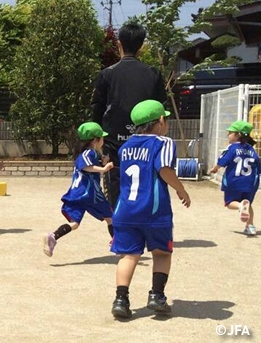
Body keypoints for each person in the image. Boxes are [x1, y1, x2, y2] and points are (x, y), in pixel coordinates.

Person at [110, 100, 191, 319]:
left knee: (128, 255)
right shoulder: (163, 142)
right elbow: (164, 169)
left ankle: (121, 299)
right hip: (155, 211)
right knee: (162, 253)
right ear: (161, 121)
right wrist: (181, 189)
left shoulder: (125, 147)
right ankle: (157, 295)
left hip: (125, 210)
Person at [91, 21, 167, 209]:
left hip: (114, 142)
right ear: (141, 46)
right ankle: (141, 229)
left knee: (114, 185)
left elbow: (97, 110)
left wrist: (96, 141)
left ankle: (118, 232)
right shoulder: (153, 74)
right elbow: (161, 111)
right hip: (145, 142)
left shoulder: (107, 74)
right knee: (144, 184)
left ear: (119, 44)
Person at [44, 122, 114, 257]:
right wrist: (103, 169)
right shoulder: (90, 152)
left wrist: (102, 163)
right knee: (110, 217)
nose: (103, 141)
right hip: (90, 194)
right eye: (102, 138)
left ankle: (53, 237)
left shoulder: (86, 153)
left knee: (74, 223)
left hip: (78, 194)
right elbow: (85, 166)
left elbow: (89, 167)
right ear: (95, 140)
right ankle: (117, 242)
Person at [209, 120, 260, 236]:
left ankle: (241, 206)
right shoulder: (252, 150)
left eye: (230, 132)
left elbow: (223, 161)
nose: (228, 135)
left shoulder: (231, 148)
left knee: (230, 203)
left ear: (238, 135)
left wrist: (215, 168)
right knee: (248, 204)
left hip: (234, 182)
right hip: (250, 183)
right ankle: (250, 226)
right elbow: (258, 164)